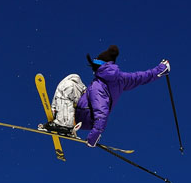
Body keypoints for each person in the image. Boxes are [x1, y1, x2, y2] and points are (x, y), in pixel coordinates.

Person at [42, 45, 170, 146]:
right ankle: (62, 114)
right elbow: (141, 77)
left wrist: (94, 135)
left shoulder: (98, 86)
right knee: (74, 78)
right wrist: (160, 69)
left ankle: (64, 124)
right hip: (88, 109)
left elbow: (101, 111)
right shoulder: (121, 79)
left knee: (67, 86)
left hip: (85, 117)